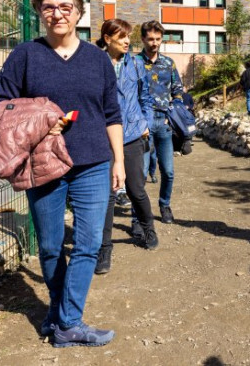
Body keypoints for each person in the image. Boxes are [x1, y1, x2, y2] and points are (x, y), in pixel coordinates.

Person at [0, 0, 123, 347]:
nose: (58, 13)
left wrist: (119, 161)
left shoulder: (98, 60)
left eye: (66, 5)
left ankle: (67, 320)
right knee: (50, 247)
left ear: (80, 11)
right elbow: (2, 106)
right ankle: (60, 314)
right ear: (39, 12)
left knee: (88, 244)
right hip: (44, 164)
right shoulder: (25, 55)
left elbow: (112, 113)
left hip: (93, 162)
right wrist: (38, 124)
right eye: (49, 6)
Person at [95, 18, 159, 275]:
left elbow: (146, 96)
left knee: (136, 189)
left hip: (132, 133)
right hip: (103, 135)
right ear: (107, 38)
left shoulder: (134, 63)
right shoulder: (95, 63)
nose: (127, 42)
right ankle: (104, 248)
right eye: (122, 37)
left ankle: (148, 227)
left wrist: (146, 122)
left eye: (128, 37)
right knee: (108, 196)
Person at [132, 20, 183, 229]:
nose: (154, 43)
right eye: (150, 39)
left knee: (168, 171)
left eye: (158, 39)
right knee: (140, 174)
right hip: (142, 125)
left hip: (164, 123)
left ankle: (165, 205)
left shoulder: (168, 63)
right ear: (143, 39)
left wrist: (174, 111)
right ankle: (137, 217)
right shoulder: (133, 62)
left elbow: (178, 91)